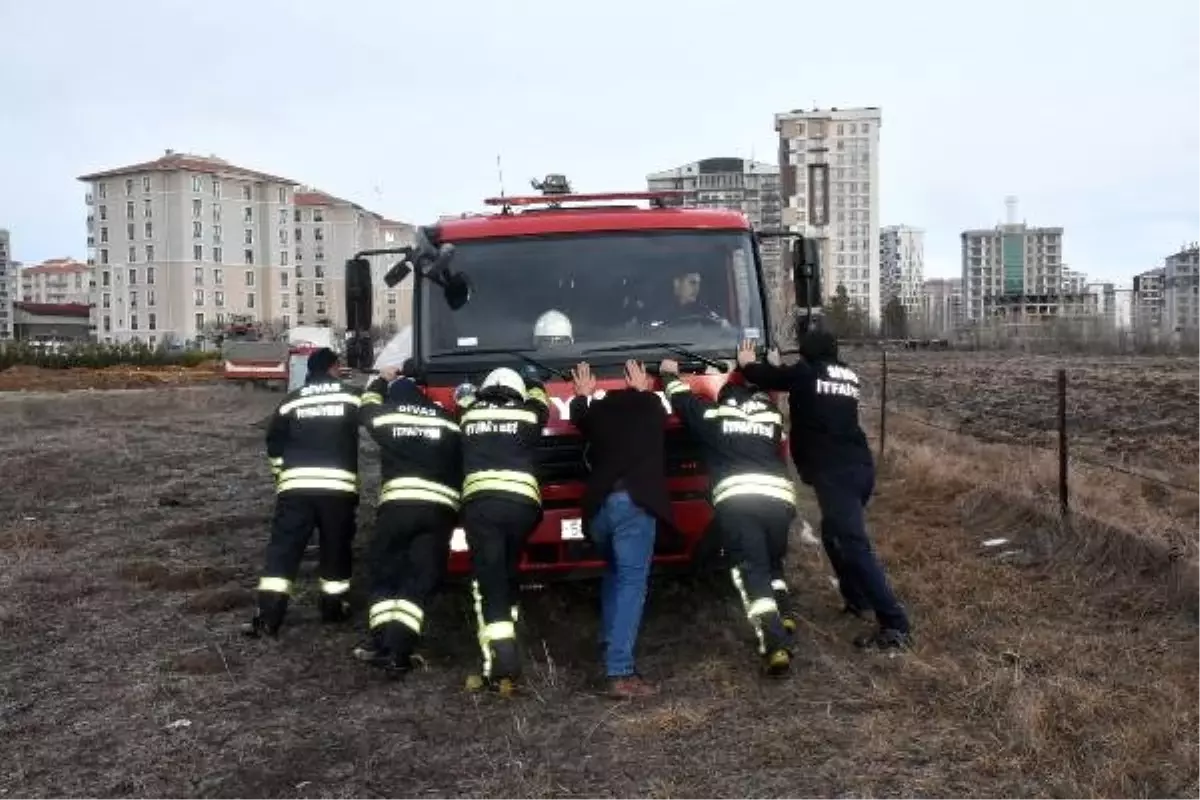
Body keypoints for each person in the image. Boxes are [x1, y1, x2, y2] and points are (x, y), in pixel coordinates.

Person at [737, 334, 912, 651]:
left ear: (808, 355)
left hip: (836, 474)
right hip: (859, 468)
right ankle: (856, 599)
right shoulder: (847, 374)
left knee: (854, 544)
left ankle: (894, 624)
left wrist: (749, 365)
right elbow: (802, 384)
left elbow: (768, 377)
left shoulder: (806, 373)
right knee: (832, 534)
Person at [658, 357, 797, 674]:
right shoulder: (771, 417)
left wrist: (668, 376)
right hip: (779, 502)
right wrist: (764, 369)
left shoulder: (714, 417)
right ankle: (784, 615)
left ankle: (774, 645)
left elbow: (683, 402)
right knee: (772, 562)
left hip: (740, 503)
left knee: (752, 572)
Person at [568, 359, 672, 699]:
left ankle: (608, 641)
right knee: (632, 582)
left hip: (599, 511)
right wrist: (643, 388)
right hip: (634, 508)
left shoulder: (595, 415)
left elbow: (578, 412)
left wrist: (584, 394)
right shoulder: (650, 406)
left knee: (613, 571)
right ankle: (620, 671)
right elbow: (656, 405)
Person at [352, 361, 463, 676]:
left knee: (385, 571)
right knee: (420, 578)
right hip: (438, 511)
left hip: (398, 508)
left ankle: (380, 643)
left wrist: (380, 383)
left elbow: (366, 410)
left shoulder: (390, 414)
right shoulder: (447, 421)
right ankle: (400, 651)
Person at [245, 347, 363, 638]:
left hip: (295, 489)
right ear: (334, 368)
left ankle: (268, 617)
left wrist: (281, 477)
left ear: (310, 370)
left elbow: (274, 443)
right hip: (337, 490)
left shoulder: (291, 401)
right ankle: (333, 608)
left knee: (283, 552)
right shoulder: (349, 395)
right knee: (335, 548)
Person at [454, 366, 551, 695]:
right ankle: (511, 630)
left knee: (488, 583)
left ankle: (499, 665)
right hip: (524, 508)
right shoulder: (528, 414)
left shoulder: (469, 414)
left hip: (483, 508)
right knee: (507, 571)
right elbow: (542, 403)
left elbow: (462, 398)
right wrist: (535, 380)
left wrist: (467, 389)